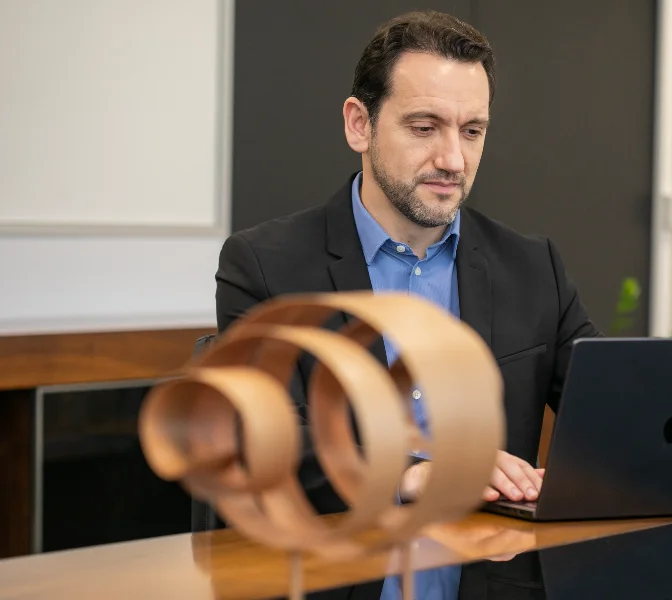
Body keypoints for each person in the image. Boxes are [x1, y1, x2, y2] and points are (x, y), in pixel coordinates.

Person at [215, 10, 599, 600]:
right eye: (425, 127)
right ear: (358, 125)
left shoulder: (533, 267)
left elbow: (615, 410)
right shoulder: (264, 265)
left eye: (472, 131)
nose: (453, 159)